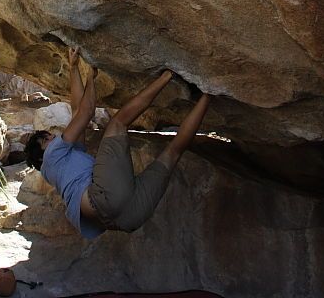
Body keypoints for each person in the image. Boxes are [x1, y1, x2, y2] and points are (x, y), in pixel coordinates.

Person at [25, 48, 210, 238]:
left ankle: (208, 94)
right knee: (118, 123)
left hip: (127, 220)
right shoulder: (52, 156)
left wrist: (73, 68)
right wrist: (90, 76)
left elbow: (77, 111)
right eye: (46, 139)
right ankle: (168, 75)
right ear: (42, 156)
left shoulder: (63, 168)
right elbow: (87, 111)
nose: (53, 137)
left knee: (172, 154)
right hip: (105, 198)